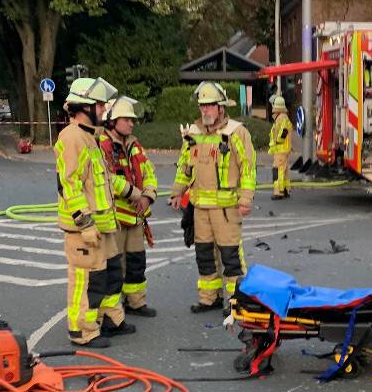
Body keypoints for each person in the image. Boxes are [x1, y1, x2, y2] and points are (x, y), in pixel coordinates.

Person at [169, 82, 257, 313]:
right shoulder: (194, 135)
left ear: (220, 108)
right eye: (202, 106)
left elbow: (247, 167)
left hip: (227, 209)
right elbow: (184, 167)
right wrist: (177, 192)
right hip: (200, 209)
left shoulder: (236, 132)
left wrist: (245, 199)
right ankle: (209, 298)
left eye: (209, 106)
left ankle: (236, 302)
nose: (205, 111)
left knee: (230, 258)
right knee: (204, 255)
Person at [55, 77, 126, 347]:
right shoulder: (73, 138)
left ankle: (107, 320)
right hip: (84, 228)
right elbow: (69, 185)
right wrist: (84, 223)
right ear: (84, 107)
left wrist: (133, 192)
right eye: (99, 104)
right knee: (84, 279)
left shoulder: (90, 137)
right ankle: (81, 331)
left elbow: (103, 180)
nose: (103, 109)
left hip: (101, 225)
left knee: (105, 276)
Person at [99, 96, 158, 320]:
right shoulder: (102, 145)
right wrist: (135, 193)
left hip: (136, 215)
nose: (132, 123)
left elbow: (149, 173)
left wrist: (148, 197)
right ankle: (111, 313)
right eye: (127, 119)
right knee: (114, 267)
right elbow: (106, 179)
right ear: (113, 121)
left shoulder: (134, 144)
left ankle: (136, 302)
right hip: (113, 218)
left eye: (132, 120)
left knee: (136, 262)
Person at [268, 95, 293, 200]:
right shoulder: (282, 117)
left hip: (281, 149)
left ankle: (278, 192)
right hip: (283, 149)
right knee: (284, 170)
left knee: (277, 170)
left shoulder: (281, 118)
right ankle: (286, 189)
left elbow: (284, 131)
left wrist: (278, 141)